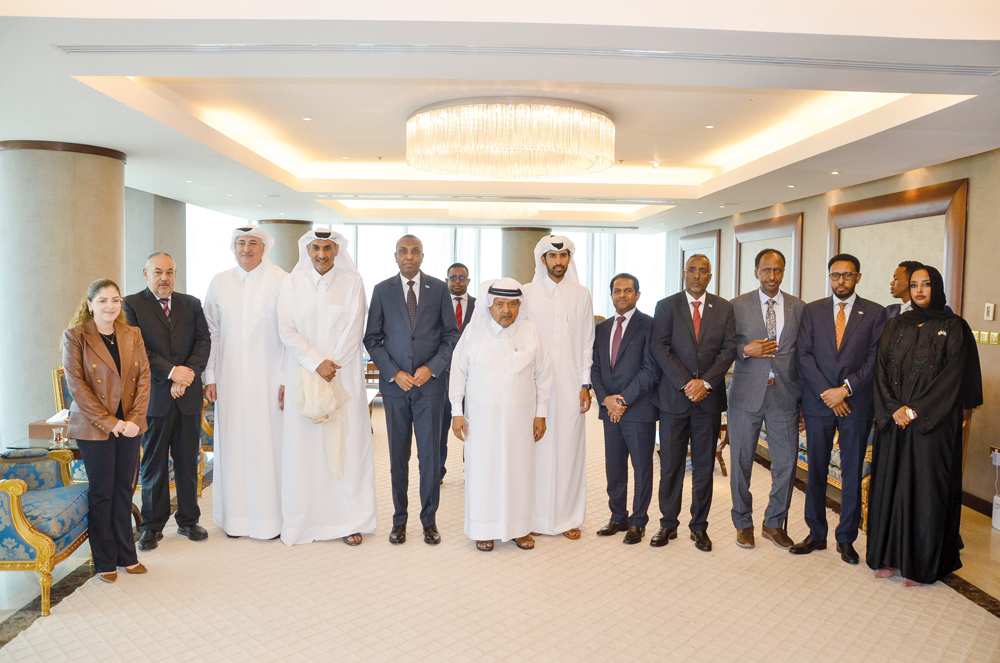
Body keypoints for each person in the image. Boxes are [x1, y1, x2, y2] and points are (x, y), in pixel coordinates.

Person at [867, 265, 982, 585]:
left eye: (926, 284)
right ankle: (887, 556)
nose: (919, 290)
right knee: (890, 489)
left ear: (937, 287)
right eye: (914, 285)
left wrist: (915, 411)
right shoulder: (895, 325)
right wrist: (894, 409)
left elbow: (953, 379)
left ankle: (921, 565)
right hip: (896, 425)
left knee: (925, 494)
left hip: (933, 426)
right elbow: (881, 373)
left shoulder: (954, 326)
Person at [278, 229, 377, 546]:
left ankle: (350, 520)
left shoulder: (353, 282)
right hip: (305, 374)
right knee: (304, 449)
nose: (321, 254)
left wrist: (331, 364)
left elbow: (355, 328)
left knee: (347, 446)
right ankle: (305, 522)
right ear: (307, 249)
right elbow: (286, 329)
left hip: (342, 375)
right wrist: (314, 362)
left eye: (328, 248)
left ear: (337, 250)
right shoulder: (292, 283)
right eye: (316, 247)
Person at [364, 235, 460, 545]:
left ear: (422, 255)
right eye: (403, 252)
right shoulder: (381, 290)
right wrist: (394, 373)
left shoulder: (439, 288)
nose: (409, 256)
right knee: (398, 457)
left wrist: (431, 367)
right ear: (395, 256)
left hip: (430, 388)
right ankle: (399, 520)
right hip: (395, 389)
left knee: (430, 457)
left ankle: (429, 521)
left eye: (414, 251)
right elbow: (372, 339)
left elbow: (451, 336)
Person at [791, 253, 885, 564]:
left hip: (855, 404)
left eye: (846, 275)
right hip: (819, 403)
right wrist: (826, 393)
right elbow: (803, 355)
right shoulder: (812, 310)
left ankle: (846, 538)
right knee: (814, 469)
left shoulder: (875, 313)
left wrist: (844, 390)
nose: (840, 281)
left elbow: (875, 360)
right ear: (830, 277)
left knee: (851, 472)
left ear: (858, 277)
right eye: (835, 275)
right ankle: (816, 534)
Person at [450, 279, 553, 552]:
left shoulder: (531, 332)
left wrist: (541, 413)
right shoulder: (473, 333)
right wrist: (456, 412)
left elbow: (544, 374)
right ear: (489, 305)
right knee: (483, 472)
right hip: (481, 421)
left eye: (512, 304)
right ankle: (483, 528)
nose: (506, 310)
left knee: (520, 472)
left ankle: (519, 528)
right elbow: (458, 373)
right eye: (499, 304)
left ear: (520, 306)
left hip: (521, 420)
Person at [62, 278, 150, 582]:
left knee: (124, 491)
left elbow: (144, 379)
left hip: (130, 425)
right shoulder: (75, 337)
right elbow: (78, 388)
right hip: (94, 426)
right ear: (90, 305)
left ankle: (127, 554)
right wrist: (112, 423)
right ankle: (104, 561)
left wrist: (135, 419)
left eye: (115, 300)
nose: (110, 306)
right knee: (103, 492)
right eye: (102, 301)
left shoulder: (132, 334)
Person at [203, 226, 287, 539]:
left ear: (264, 247)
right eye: (241, 243)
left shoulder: (282, 279)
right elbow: (211, 332)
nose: (247, 248)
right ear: (233, 247)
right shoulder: (220, 282)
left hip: (270, 380)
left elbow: (289, 333)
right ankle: (235, 520)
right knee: (234, 447)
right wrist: (209, 376)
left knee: (269, 446)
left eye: (253, 243)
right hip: (229, 380)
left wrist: (284, 378)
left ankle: (270, 520)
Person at [124, 253, 211, 550]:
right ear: (145, 273)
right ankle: (152, 525)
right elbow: (137, 349)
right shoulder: (132, 305)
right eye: (158, 272)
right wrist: (172, 373)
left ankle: (188, 520)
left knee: (187, 461)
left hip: (187, 397)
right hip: (154, 397)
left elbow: (203, 341)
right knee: (154, 464)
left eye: (170, 272)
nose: (165, 278)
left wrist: (187, 375)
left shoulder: (191, 303)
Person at [649, 254, 736, 552]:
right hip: (674, 399)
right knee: (671, 465)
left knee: (703, 467)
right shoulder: (666, 306)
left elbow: (729, 349)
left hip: (708, 401)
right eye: (692, 270)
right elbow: (659, 348)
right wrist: (686, 383)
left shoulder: (724, 308)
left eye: (703, 271)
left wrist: (706, 383)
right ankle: (667, 524)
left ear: (710, 276)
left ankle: (699, 527)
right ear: (684, 273)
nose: (697, 275)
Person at [727, 249, 805, 550]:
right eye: (766, 270)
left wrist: (804, 403)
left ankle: (774, 523)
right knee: (741, 463)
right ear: (756, 271)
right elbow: (722, 347)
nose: (771, 277)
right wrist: (746, 350)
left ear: (784, 271)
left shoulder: (799, 307)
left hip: (785, 396)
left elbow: (804, 355)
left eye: (777, 270)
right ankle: (742, 522)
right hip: (746, 395)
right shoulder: (736, 306)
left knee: (786, 464)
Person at [521, 235, 595, 539]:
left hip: (569, 387)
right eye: (553, 257)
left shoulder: (581, 294)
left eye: (564, 256)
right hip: (533, 386)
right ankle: (534, 518)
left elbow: (587, 342)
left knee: (569, 450)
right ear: (543, 260)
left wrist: (585, 384)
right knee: (535, 450)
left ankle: (568, 518)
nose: (559, 262)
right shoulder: (526, 293)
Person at [591, 273, 661, 545]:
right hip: (610, 409)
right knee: (614, 466)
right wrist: (606, 399)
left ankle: (638, 521)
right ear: (611, 295)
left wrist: (622, 400)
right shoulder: (601, 328)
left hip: (639, 409)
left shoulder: (650, 326)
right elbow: (595, 367)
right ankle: (618, 516)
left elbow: (650, 370)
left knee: (642, 467)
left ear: (638, 295)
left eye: (628, 290)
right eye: (617, 290)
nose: (622, 295)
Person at [440, 262, 476, 482]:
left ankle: (470, 470)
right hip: (442, 376)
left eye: (462, 278)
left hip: (472, 378)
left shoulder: (480, 306)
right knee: (440, 428)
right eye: (453, 277)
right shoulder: (437, 304)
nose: (457, 281)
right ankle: (439, 472)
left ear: (468, 281)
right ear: (447, 280)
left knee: (470, 426)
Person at [885, 260, 953, 320]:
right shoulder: (889, 311)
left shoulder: (942, 311)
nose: (891, 283)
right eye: (914, 285)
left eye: (896, 278)